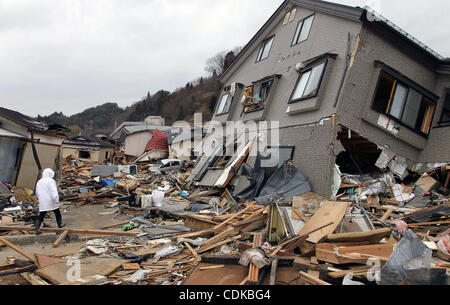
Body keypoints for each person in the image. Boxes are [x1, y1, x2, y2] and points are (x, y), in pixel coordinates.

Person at [35, 168, 65, 235]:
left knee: (41, 215)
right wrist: (56, 199)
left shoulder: (39, 182)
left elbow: (37, 192)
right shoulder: (51, 181)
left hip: (42, 201)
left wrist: (40, 198)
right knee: (57, 212)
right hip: (51, 200)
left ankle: (37, 229)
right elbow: (53, 191)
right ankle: (60, 225)